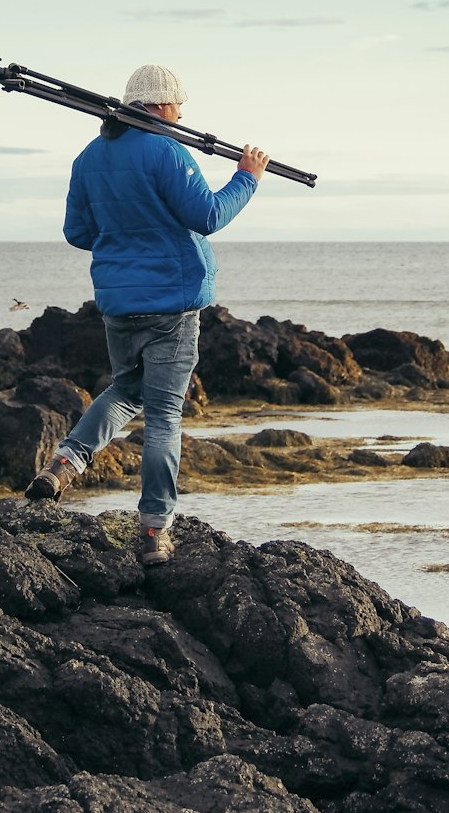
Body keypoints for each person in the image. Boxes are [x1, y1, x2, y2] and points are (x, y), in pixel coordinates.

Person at [25, 63, 269, 565]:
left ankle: (66, 461)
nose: (182, 114)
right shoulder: (166, 150)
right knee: (163, 415)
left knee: (125, 390)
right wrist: (247, 178)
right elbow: (207, 216)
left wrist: (124, 239)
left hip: (118, 301)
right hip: (174, 303)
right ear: (160, 104)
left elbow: (78, 232)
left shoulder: (89, 157)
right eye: (179, 104)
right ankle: (156, 530)